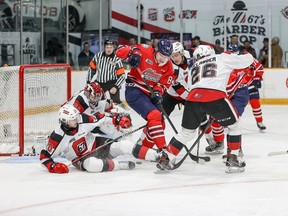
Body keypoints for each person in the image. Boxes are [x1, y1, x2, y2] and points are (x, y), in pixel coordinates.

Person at [166, 45, 254, 173]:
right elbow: (248, 60)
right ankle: (233, 158)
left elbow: (192, 87)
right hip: (215, 96)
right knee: (235, 125)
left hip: (192, 99)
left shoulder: (193, 68)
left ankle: (167, 158)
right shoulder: (221, 57)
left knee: (186, 132)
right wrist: (243, 52)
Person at [115, 39, 177, 170]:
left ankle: (142, 148)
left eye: (166, 57)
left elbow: (164, 84)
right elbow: (119, 51)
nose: (163, 59)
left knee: (161, 122)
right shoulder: (144, 50)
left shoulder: (168, 66)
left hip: (148, 94)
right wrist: (134, 54)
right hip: (134, 90)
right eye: (161, 55)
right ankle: (163, 152)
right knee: (154, 115)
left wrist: (158, 92)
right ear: (156, 50)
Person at [65, 82, 158, 159]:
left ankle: (131, 147)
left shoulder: (100, 98)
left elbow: (111, 105)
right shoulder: (78, 102)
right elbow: (70, 121)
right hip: (83, 125)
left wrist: (123, 114)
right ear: (87, 94)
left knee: (117, 127)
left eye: (98, 96)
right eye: (94, 97)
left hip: (96, 120)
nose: (96, 99)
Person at [206, 44, 266, 157]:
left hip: (241, 91)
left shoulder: (245, 58)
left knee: (233, 122)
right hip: (225, 92)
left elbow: (259, 68)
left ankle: (235, 149)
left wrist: (257, 78)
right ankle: (219, 143)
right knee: (215, 121)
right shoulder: (224, 59)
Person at [40, 104, 134, 174]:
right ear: (65, 122)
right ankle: (120, 164)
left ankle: (147, 154)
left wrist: (116, 119)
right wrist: (53, 166)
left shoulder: (81, 119)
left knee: (124, 145)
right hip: (81, 159)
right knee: (91, 165)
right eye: (73, 119)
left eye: (76, 117)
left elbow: (101, 118)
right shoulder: (57, 137)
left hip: (96, 145)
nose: (76, 120)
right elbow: (44, 157)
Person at [162, 41, 215, 147]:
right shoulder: (171, 68)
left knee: (202, 118)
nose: (174, 58)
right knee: (158, 118)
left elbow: (204, 49)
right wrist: (194, 99)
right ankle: (152, 142)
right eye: (172, 56)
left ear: (182, 53)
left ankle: (211, 140)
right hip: (172, 95)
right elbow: (179, 90)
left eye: (176, 55)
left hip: (189, 92)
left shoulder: (190, 54)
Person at [87, 38, 125, 105]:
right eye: (107, 47)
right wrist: (88, 81)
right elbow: (91, 69)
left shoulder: (116, 59)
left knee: (116, 103)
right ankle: (98, 114)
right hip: (99, 83)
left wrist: (116, 87)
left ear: (113, 48)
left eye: (111, 47)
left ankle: (123, 114)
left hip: (112, 83)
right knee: (96, 102)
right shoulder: (98, 56)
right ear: (104, 47)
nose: (109, 49)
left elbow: (122, 76)